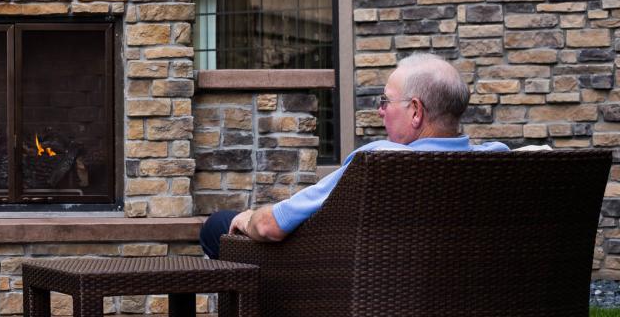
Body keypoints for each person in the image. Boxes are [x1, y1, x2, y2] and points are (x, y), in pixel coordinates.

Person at [200, 53, 509, 257]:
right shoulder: (499, 161)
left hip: (345, 297)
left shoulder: (380, 160)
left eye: (386, 101)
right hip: (461, 305)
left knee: (218, 225)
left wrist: (249, 218)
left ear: (416, 111)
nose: (380, 110)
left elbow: (271, 226)